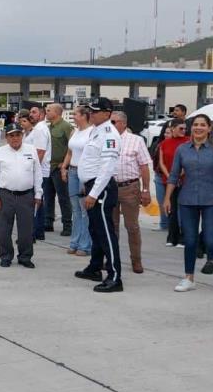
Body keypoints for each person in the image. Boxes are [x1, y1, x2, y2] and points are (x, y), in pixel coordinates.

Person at [164, 114, 213, 293]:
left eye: (203, 125)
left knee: (210, 240)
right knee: (190, 241)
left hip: (212, 201)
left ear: (209, 128)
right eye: (195, 125)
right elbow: (173, 175)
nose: (198, 128)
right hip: (187, 200)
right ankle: (189, 278)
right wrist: (167, 198)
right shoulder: (182, 149)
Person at [73, 97, 123, 293]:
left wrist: (93, 194)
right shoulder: (96, 130)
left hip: (101, 188)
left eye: (95, 111)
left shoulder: (110, 135)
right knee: (95, 230)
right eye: (90, 111)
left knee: (105, 233)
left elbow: (106, 168)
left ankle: (114, 276)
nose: (90, 114)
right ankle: (95, 267)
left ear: (107, 113)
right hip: (92, 185)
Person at [0, 123, 42, 268]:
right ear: (6, 137)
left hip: (27, 196)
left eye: (18, 135)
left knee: (26, 229)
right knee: (4, 229)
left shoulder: (31, 150)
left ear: (22, 135)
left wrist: (38, 194)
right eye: (11, 135)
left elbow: (37, 173)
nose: (15, 138)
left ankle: (25, 257)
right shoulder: (0, 152)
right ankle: (6, 256)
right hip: (5, 195)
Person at [110, 111, 153, 274]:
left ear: (123, 124)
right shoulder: (106, 139)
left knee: (132, 226)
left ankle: (136, 260)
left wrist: (146, 190)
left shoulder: (136, 141)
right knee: (111, 226)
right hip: (111, 187)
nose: (111, 125)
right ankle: (111, 258)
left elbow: (144, 166)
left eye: (114, 122)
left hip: (130, 187)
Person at [60, 106, 93, 256]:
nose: (73, 117)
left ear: (84, 116)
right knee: (76, 209)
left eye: (76, 114)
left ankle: (85, 245)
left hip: (84, 172)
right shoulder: (75, 131)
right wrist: (64, 167)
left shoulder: (92, 132)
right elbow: (70, 152)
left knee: (84, 210)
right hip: (72, 170)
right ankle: (75, 241)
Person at [158, 119, 189, 247]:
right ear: (173, 128)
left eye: (185, 128)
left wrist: (178, 175)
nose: (183, 131)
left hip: (184, 180)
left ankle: (183, 237)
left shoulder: (188, 142)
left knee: (183, 210)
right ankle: (172, 236)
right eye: (181, 128)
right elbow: (161, 162)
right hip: (169, 180)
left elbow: (188, 161)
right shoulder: (165, 143)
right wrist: (169, 176)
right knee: (172, 209)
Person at [43, 103, 73, 237]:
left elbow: (71, 147)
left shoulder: (66, 127)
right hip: (48, 167)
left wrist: (65, 165)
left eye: (49, 110)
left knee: (63, 198)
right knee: (48, 197)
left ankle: (67, 225)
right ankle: (48, 222)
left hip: (59, 167)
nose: (46, 112)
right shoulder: (48, 127)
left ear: (57, 112)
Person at [28, 106, 52, 240]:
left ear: (42, 115)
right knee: (38, 202)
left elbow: (40, 152)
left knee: (35, 201)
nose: (31, 114)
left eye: (34, 112)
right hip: (40, 171)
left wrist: (32, 171)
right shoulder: (38, 128)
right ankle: (38, 231)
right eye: (30, 112)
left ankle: (35, 231)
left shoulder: (40, 129)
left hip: (39, 172)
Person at [149, 121, 172, 231]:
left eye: (169, 133)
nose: (167, 135)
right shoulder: (159, 145)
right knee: (161, 200)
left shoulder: (181, 146)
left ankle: (175, 225)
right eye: (166, 133)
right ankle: (164, 223)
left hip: (174, 177)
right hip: (159, 176)